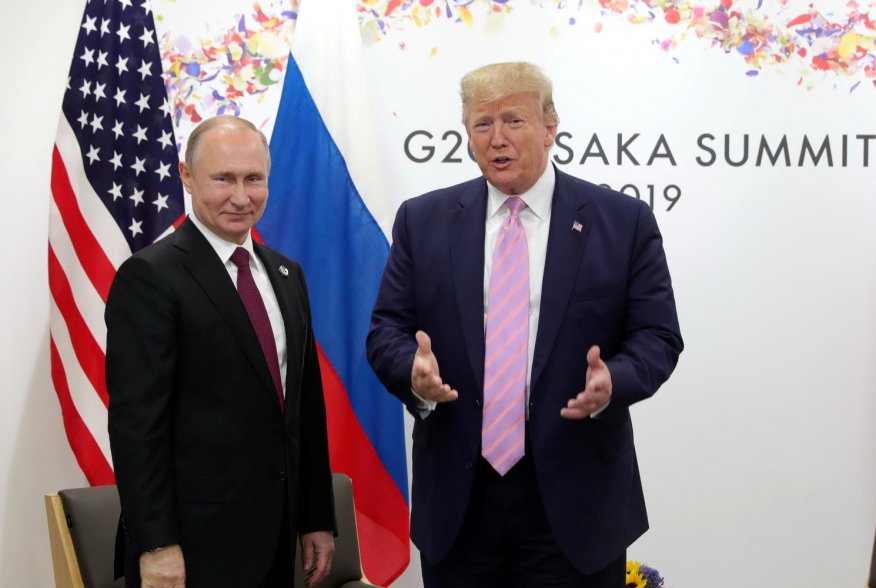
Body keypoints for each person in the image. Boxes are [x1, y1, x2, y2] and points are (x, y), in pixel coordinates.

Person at [366, 62, 683, 587]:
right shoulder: (423, 221)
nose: (497, 139)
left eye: (513, 120)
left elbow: (658, 335)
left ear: (550, 127)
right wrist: (411, 372)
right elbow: (387, 331)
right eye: (482, 124)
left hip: (577, 497)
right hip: (461, 500)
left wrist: (613, 383)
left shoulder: (621, 221)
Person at [106, 115, 335, 588]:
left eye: (254, 179)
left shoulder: (286, 274)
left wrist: (315, 516)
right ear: (187, 177)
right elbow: (137, 427)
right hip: (191, 548)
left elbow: (304, 409)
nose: (241, 196)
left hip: (276, 538)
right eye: (223, 178)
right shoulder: (150, 277)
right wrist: (155, 544)